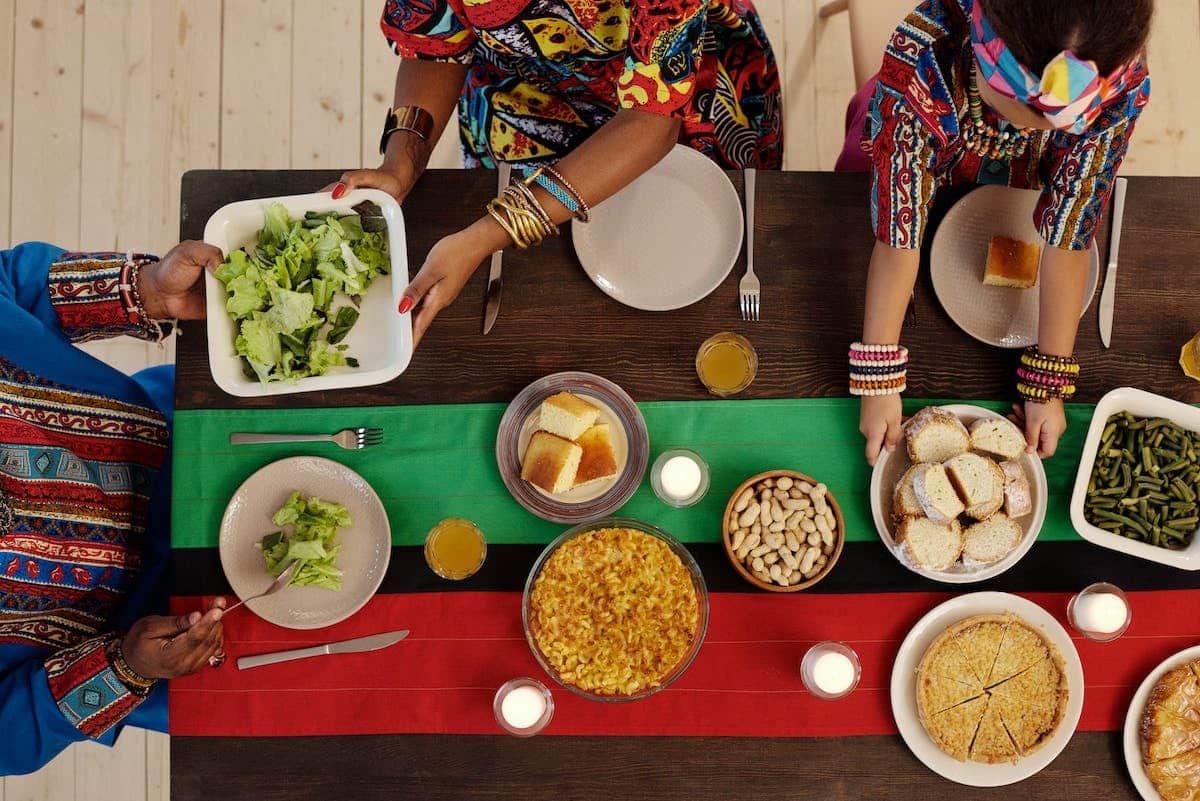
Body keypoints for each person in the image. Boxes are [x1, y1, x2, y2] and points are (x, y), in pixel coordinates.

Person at [333, 0, 783, 346]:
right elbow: (434, 41)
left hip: (682, 91)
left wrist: (489, 233)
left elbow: (652, 121)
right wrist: (403, 161)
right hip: (517, 95)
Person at [842, 0, 1152, 464]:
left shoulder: (1117, 73)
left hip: (1025, 179)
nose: (1027, 127)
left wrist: (1048, 384)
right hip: (904, 157)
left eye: (1057, 123)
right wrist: (878, 379)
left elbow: (1070, 234)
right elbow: (897, 236)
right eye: (1023, 113)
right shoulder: (922, 58)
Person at [0, 241, 227, 775]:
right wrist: (125, 667)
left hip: (190, 436)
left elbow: (12, 289)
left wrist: (146, 289)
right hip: (181, 633)